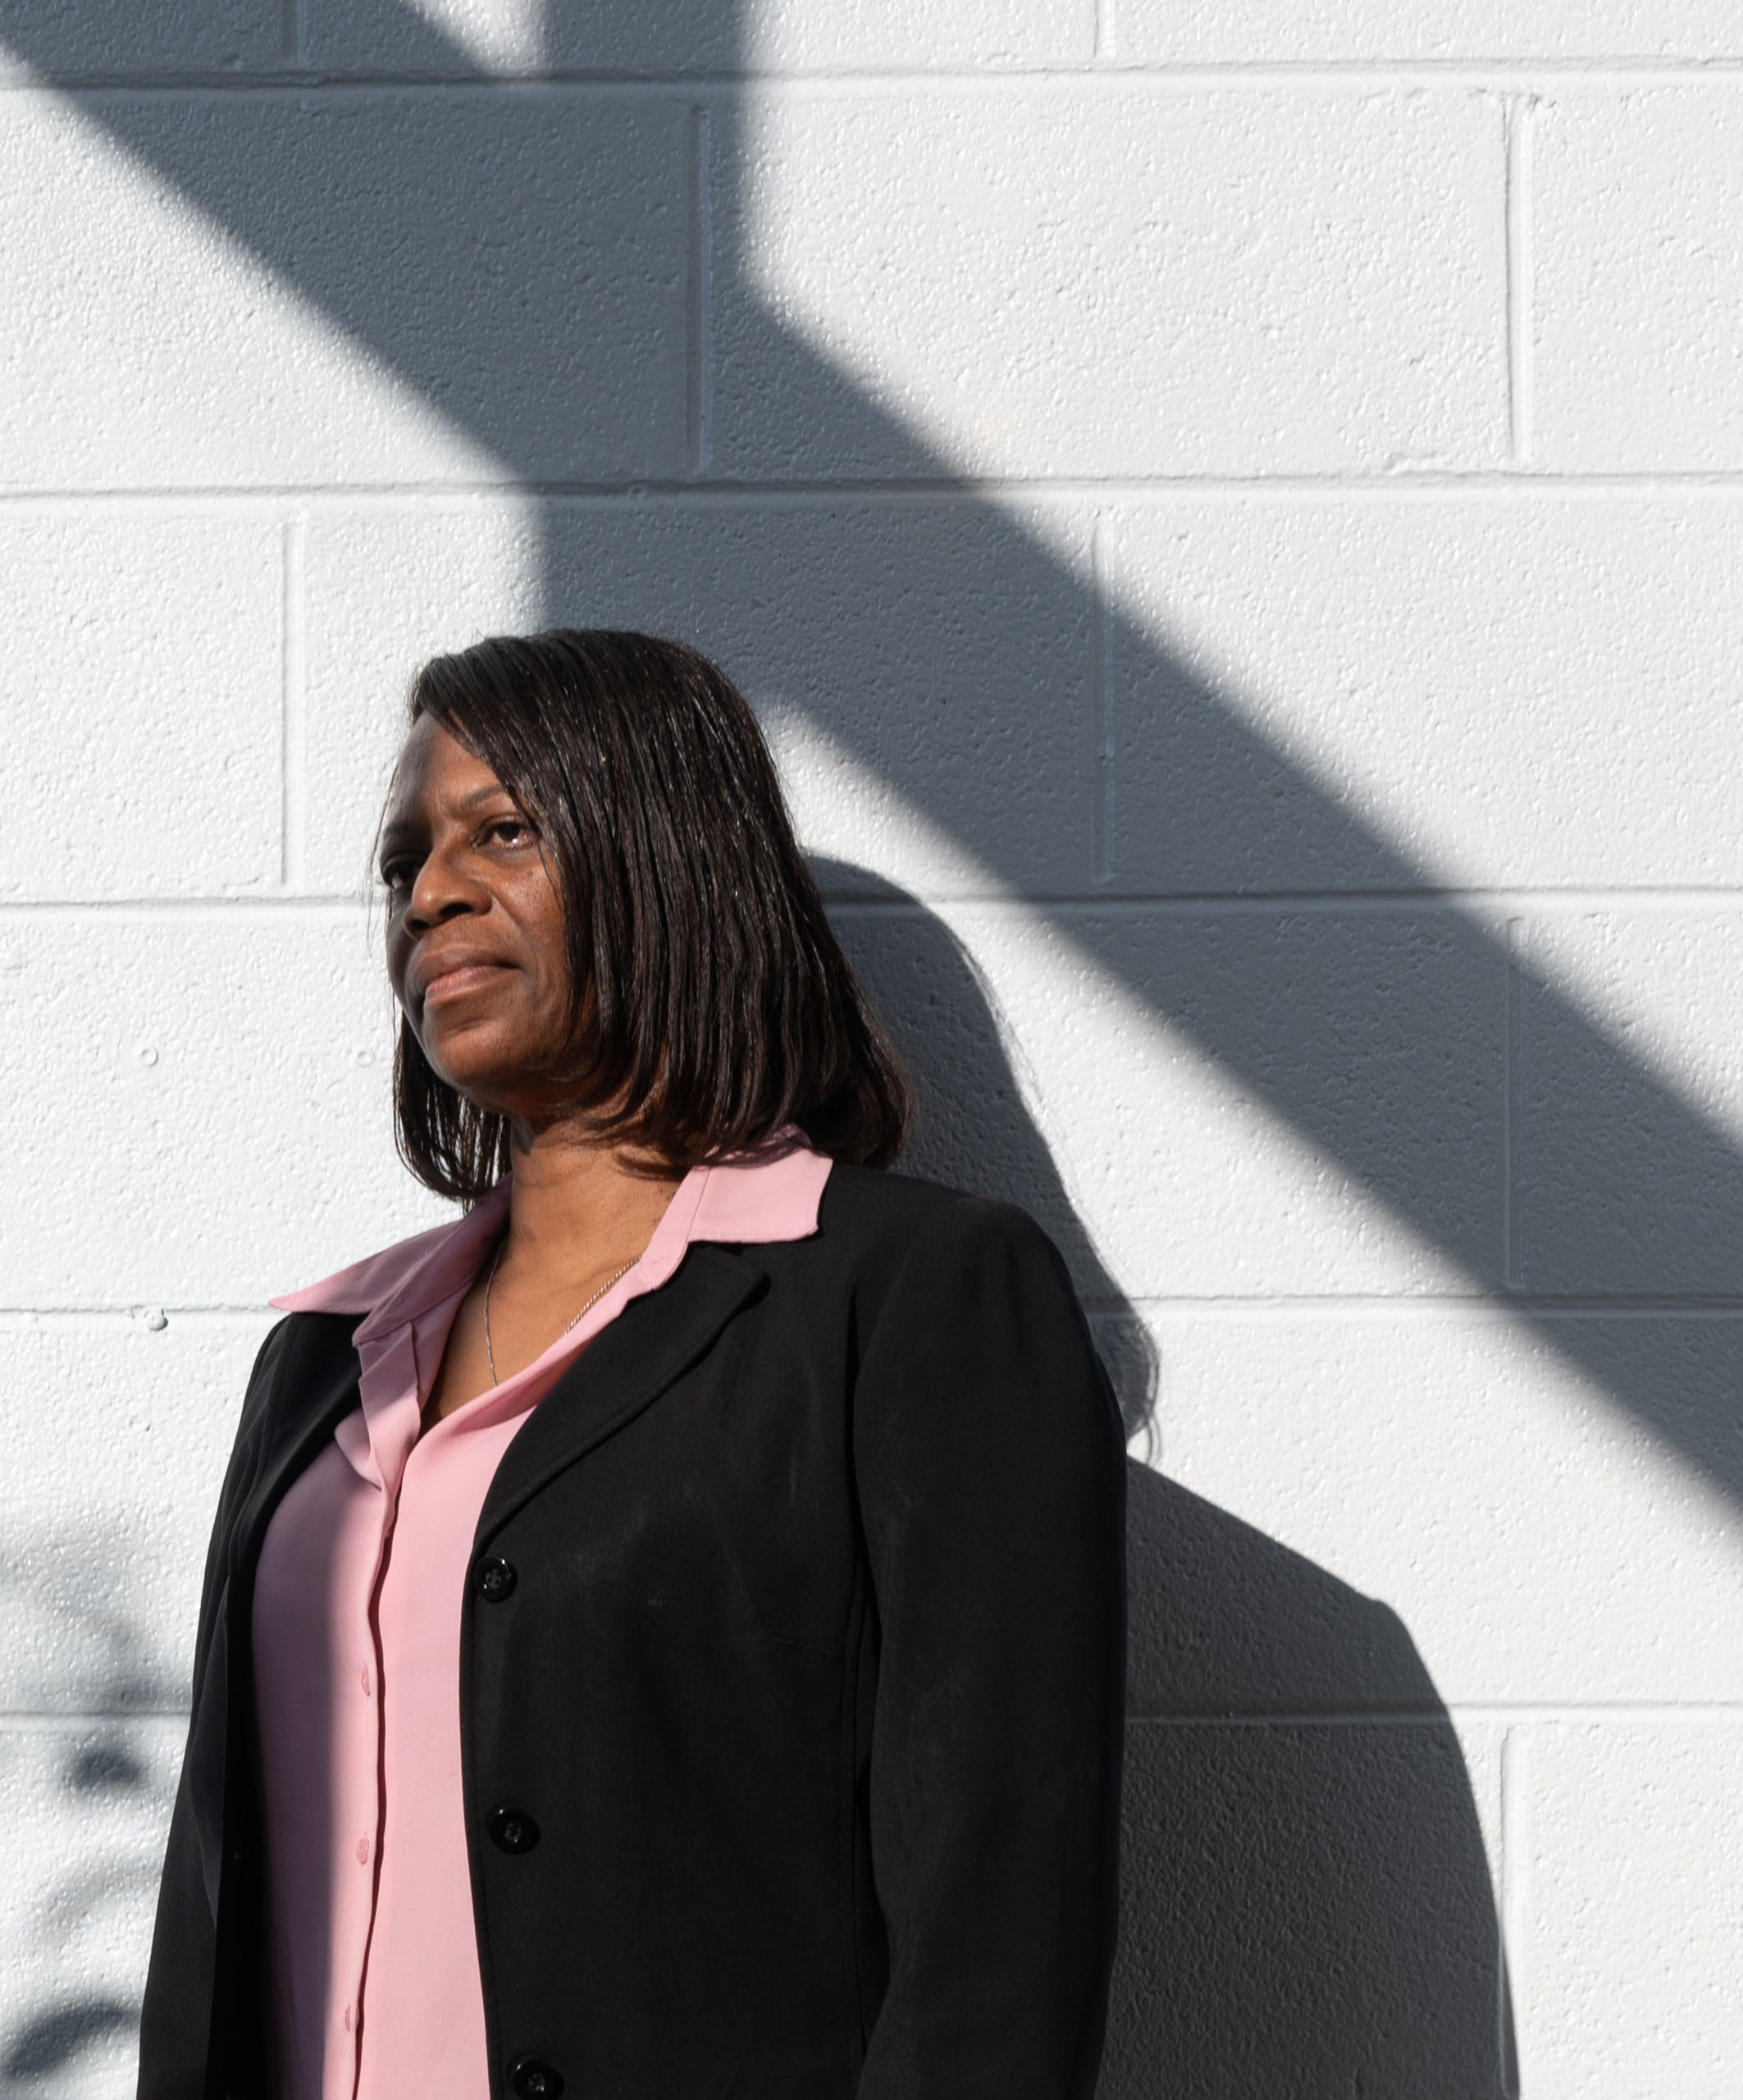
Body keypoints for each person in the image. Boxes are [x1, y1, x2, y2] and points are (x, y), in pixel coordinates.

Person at [137, 630, 1126, 2100]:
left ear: (662, 849)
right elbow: (216, 1914)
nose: (432, 891)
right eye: (406, 857)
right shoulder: (323, 1361)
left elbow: (998, 1927)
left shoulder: (908, 1301)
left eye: (504, 831)